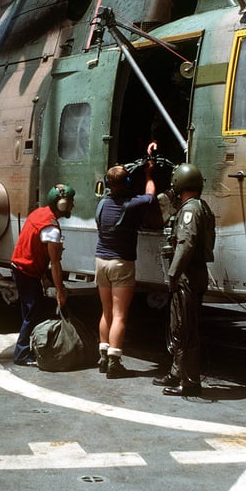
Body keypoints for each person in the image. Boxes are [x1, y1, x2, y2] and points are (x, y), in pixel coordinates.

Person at [95, 142, 158, 378]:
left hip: (101, 261)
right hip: (121, 263)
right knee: (120, 315)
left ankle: (103, 355)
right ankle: (114, 361)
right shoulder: (132, 205)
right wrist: (149, 173)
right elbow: (151, 196)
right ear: (128, 183)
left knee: (106, 312)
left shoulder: (102, 204)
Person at [153, 163, 214, 397]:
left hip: (187, 277)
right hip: (191, 276)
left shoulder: (190, 210)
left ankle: (190, 382)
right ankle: (177, 371)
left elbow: (186, 243)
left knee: (185, 329)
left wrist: (173, 273)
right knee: (178, 326)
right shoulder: (199, 206)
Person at [9, 183, 75, 366]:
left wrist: (44, 279)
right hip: (26, 272)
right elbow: (55, 262)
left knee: (29, 312)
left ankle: (27, 349)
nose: (73, 205)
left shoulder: (40, 213)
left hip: (22, 268)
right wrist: (60, 291)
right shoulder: (51, 228)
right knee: (33, 313)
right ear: (62, 205)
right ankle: (21, 354)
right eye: (71, 202)